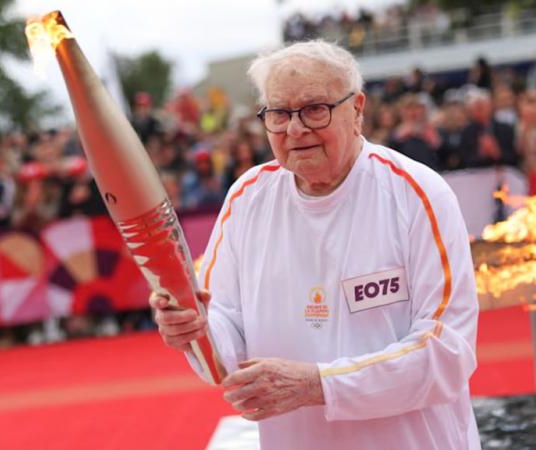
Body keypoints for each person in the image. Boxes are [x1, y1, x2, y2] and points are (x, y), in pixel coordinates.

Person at [150, 40, 480, 449]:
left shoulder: (417, 194)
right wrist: (194, 330)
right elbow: (224, 337)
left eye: (314, 109)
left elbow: (447, 352)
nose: (295, 128)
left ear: (357, 109)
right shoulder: (246, 199)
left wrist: (318, 385)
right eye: (278, 113)